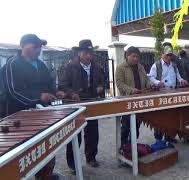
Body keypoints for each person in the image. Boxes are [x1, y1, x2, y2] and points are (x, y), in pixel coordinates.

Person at [1, 34, 65, 180]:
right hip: (17, 116)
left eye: (39, 47)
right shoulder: (12, 65)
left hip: (42, 113)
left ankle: (45, 174)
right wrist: (38, 97)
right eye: (35, 47)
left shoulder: (41, 64)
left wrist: (56, 92)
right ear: (23, 46)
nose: (38, 50)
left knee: (46, 143)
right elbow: (13, 91)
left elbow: (49, 84)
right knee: (21, 152)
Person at [59, 39, 105, 172]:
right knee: (75, 135)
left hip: (92, 103)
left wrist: (101, 87)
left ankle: (91, 158)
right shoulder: (69, 67)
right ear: (79, 53)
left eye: (90, 52)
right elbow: (62, 86)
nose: (88, 55)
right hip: (75, 105)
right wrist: (72, 94)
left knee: (93, 132)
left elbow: (103, 81)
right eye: (85, 52)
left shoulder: (97, 67)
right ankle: (72, 164)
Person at [149, 43, 188, 142]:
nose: (169, 57)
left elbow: (178, 76)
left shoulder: (174, 65)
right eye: (167, 55)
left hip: (172, 94)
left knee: (171, 116)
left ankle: (169, 136)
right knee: (160, 117)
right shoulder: (156, 65)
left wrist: (181, 80)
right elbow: (151, 77)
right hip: (160, 95)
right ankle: (158, 138)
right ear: (162, 54)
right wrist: (158, 82)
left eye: (170, 55)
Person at [115, 46, 151, 146]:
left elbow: (146, 79)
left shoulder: (140, 67)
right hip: (127, 102)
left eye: (137, 57)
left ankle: (133, 147)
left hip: (139, 101)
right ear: (127, 56)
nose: (136, 59)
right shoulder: (120, 67)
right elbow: (119, 83)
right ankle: (124, 147)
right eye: (134, 56)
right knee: (126, 127)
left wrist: (151, 85)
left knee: (136, 126)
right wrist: (131, 90)